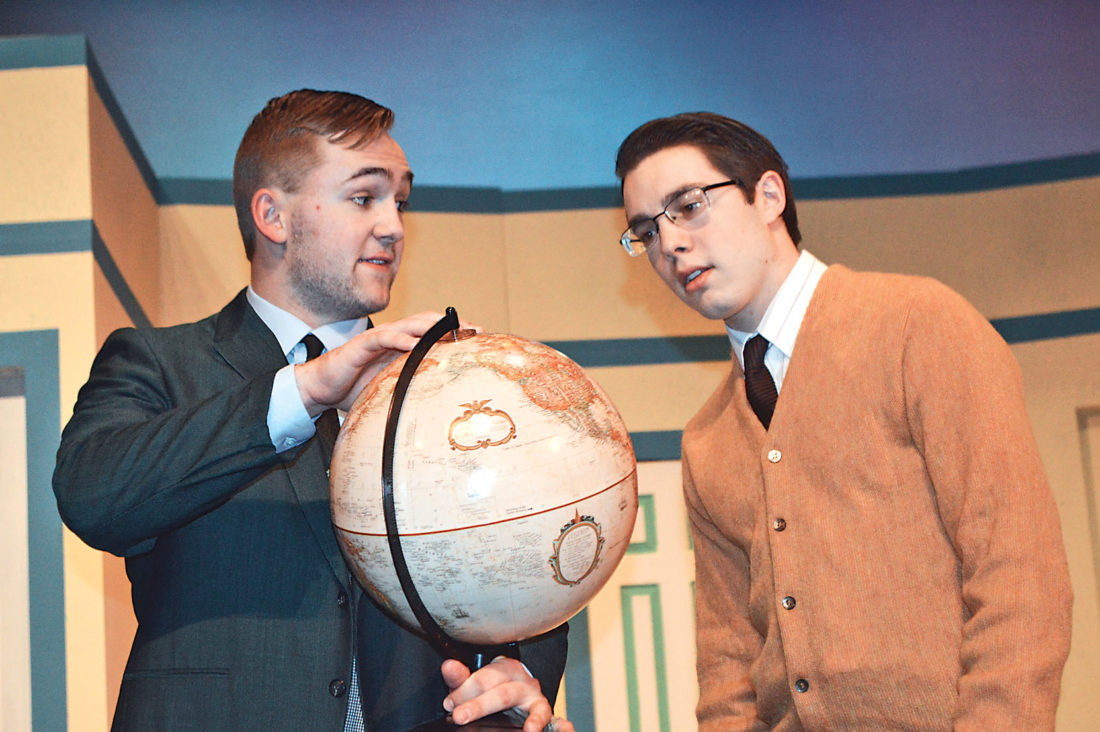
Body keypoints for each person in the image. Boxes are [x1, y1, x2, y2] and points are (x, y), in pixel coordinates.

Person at [53, 89, 572, 732]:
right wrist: (305, 391)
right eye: (364, 197)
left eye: (400, 201)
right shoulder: (158, 362)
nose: (394, 226)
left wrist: (521, 665)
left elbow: (528, 559)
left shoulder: (449, 386)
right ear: (273, 215)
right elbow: (93, 495)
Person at [613, 112, 1073, 730]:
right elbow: (727, 662)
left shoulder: (916, 323)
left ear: (769, 196)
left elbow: (1020, 573)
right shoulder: (707, 438)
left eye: (689, 206)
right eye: (645, 231)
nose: (668, 244)